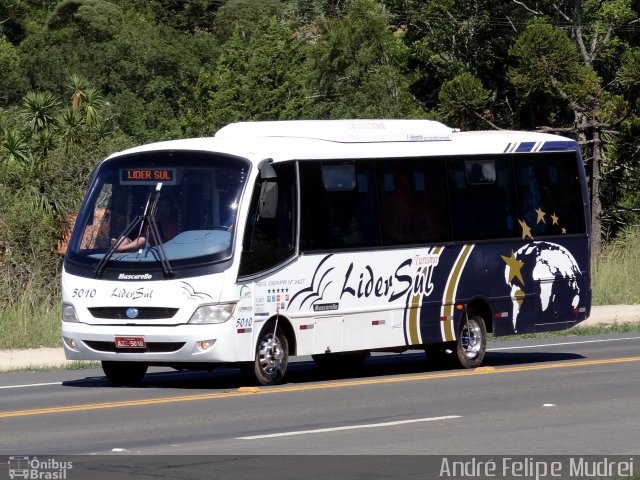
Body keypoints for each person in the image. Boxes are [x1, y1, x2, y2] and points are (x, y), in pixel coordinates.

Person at [112, 196, 178, 252]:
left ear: (171, 209)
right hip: (138, 247)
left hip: (156, 250)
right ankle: (117, 247)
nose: (162, 210)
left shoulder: (172, 225)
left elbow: (167, 241)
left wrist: (156, 227)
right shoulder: (148, 220)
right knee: (124, 238)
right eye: (161, 206)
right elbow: (139, 235)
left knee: (142, 240)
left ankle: (120, 248)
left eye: (166, 207)